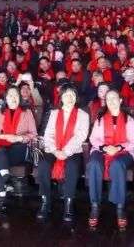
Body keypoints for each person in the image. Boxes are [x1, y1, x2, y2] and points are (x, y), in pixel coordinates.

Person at [35, 83, 89, 222]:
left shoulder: (83, 114)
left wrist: (65, 151)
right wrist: (55, 150)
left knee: (72, 166)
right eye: (66, 95)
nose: (69, 98)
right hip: (53, 149)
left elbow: (80, 136)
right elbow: (48, 134)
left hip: (72, 151)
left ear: (76, 97)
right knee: (43, 165)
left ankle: (68, 203)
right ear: (61, 97)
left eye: (72, 95)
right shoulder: (54, 113)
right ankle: (45, 201)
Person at [86, 88, 134, 230]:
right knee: (94, 164)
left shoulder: (129, 119)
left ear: (120, 100)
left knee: (117, 164)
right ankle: (95, 205)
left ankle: (120, 207)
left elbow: (132, 141)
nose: (112, 101)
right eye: (108, 99)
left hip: (124, 152)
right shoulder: (100, 118)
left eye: (114, 98)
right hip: (102, 150)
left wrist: (118, 148)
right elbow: (93, 139)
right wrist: (104, 148)